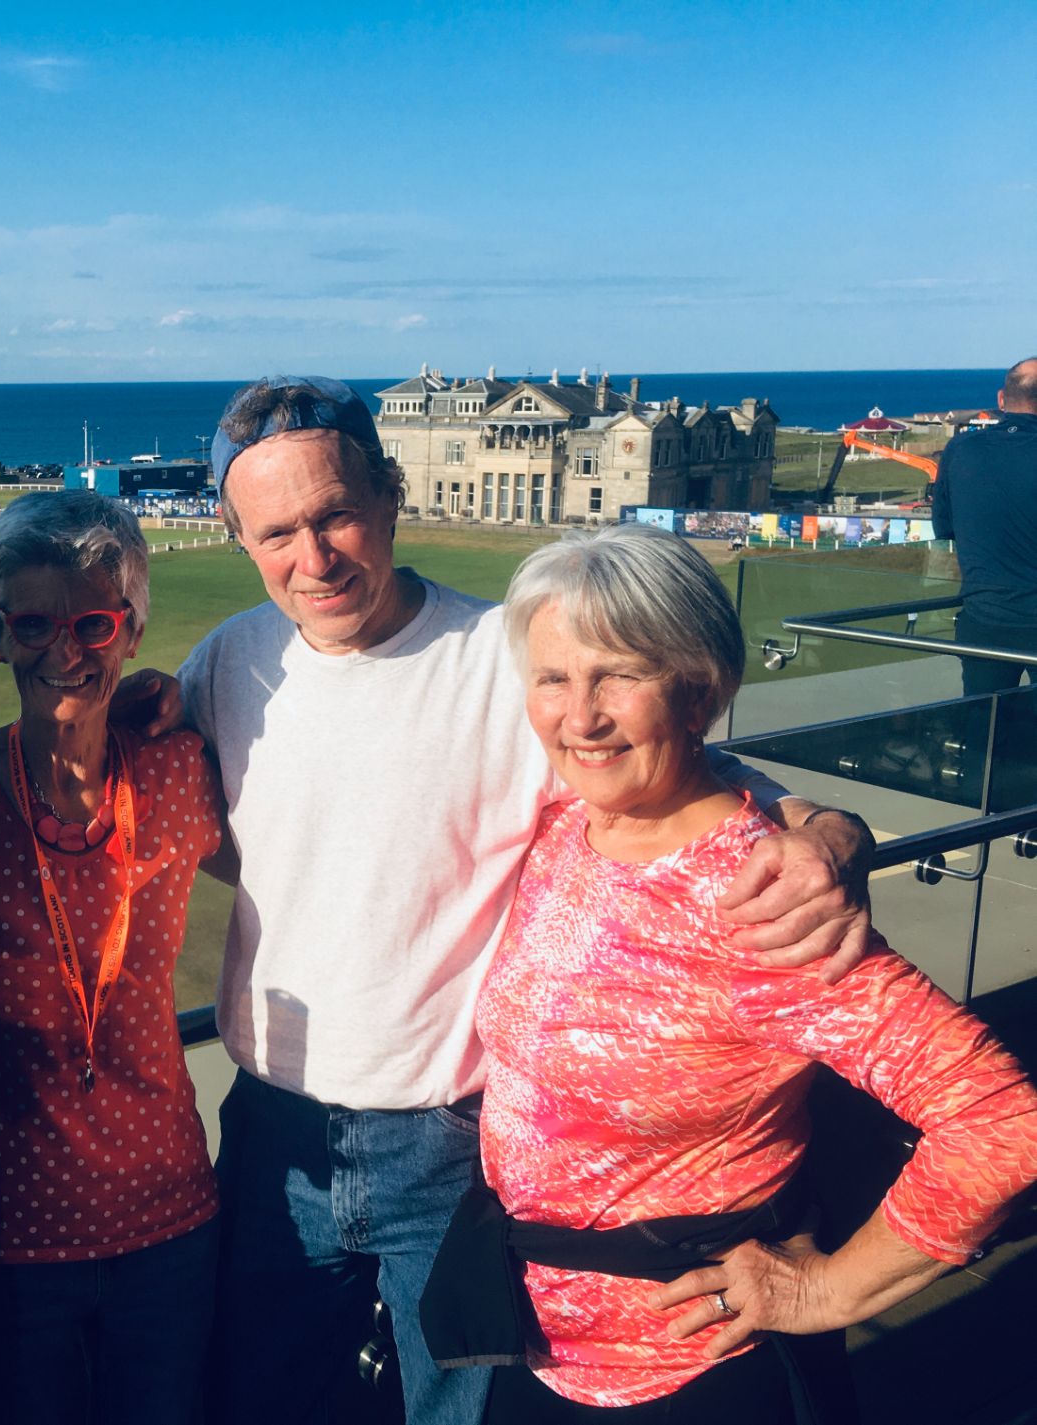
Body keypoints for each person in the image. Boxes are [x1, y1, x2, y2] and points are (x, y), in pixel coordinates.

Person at [176, 376, 877, 1425]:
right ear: (237, 536)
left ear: (388, 492)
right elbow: (212, 840)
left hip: (454, 1145)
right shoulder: (228, 663)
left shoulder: (505, 660)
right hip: (274, 1135)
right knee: (263, 1400)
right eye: (276, 532)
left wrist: (830, 830)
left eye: (335, 515)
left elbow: (690, 779)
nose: (312, 559)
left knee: (455, 1415)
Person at [428, 523, 1037, 1422]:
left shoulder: (757, 901)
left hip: (691, 1373)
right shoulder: (573, 823)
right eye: (554, 678)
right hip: (541, 1349)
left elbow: (1000, 1122)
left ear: (697, 689)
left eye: (619, 675)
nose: (579, 715)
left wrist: (828, 1290)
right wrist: (835, 819)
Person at [0, 490, 223, 1425]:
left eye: (93, 623)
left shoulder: (180, 771)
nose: (65, 649)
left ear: (129, 632)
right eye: (33, 623)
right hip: (0, 1235)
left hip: (168, 1225)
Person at [931, 357, 1037, 694]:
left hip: (985, 618)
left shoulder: (961, 449)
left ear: (1001, 400)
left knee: (983, 731)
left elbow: (944, 528)